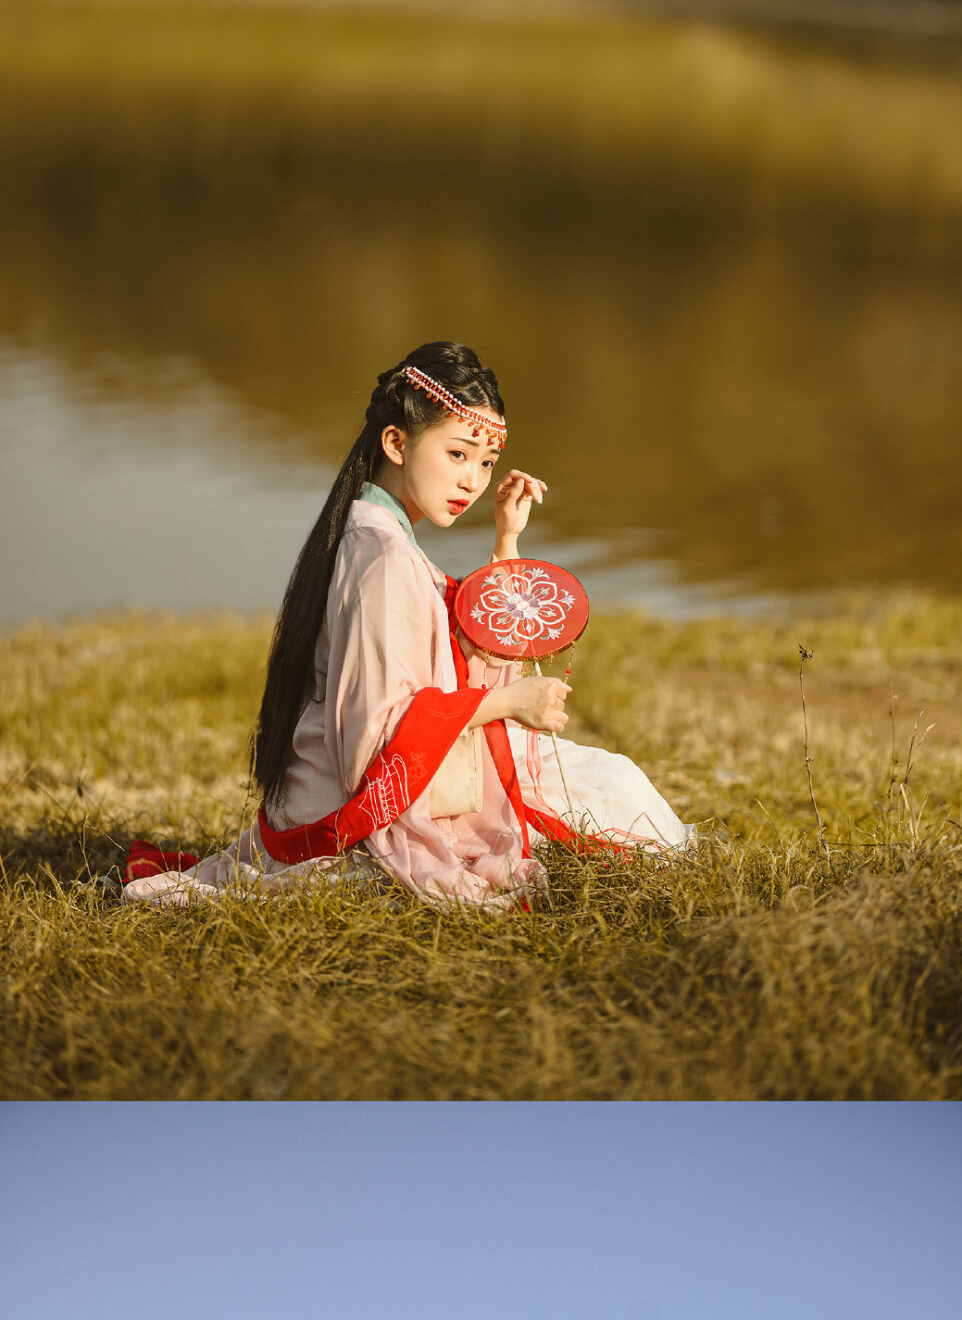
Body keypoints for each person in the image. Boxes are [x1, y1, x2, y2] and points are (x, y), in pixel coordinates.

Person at [123, 342, 693, 908]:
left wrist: (506, 540)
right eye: (458, 454)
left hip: (359, 780)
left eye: (486, 462)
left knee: (605, 780)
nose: (473, 481)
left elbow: (452, 647)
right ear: (396, 442)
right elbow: (379, 734)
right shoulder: (383, 556)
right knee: (610, 794)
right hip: (353, 803)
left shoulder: (379, 535)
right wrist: (507, 703)